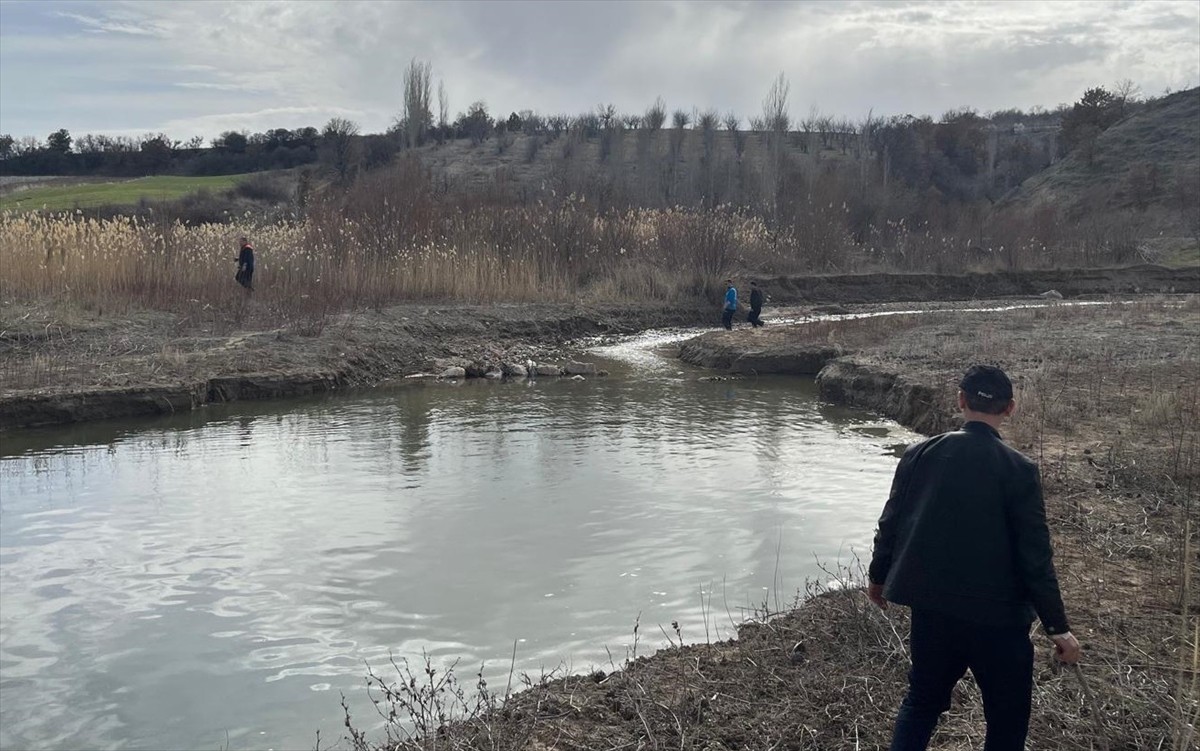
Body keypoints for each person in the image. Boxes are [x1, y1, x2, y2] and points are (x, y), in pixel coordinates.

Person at [867, 364, 1080, 751]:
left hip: (933, 612)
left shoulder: (919, 454)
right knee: (1007, 718)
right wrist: (1057, 626)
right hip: (1000, 620)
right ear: (1010, 408)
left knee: (921, 703)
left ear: (960, 400)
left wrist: (878, 577)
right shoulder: (1020, 470)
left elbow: (891, 523)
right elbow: (1035, 557)